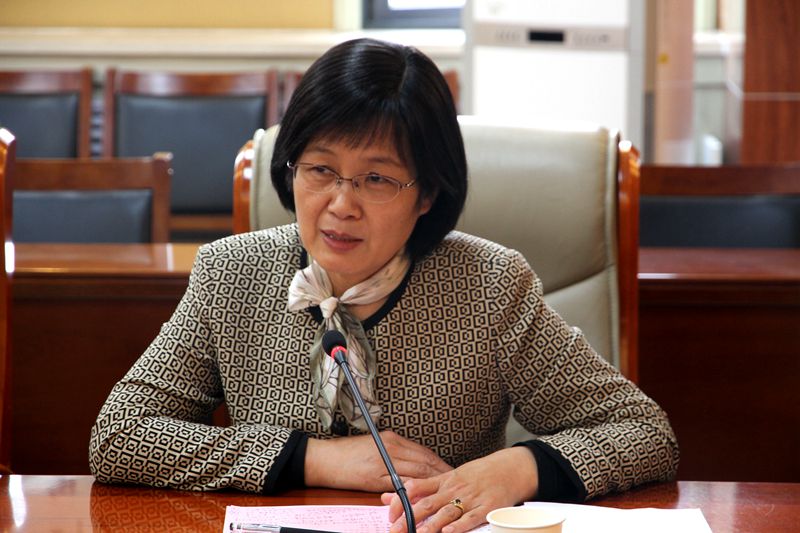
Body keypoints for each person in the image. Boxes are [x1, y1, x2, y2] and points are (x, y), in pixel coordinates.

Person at [90, 38, 679, 533]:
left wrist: (518, 469)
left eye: (376, 178)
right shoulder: (232, 274)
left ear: (427, 194)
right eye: (320, 170)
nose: (340, 205)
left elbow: (644, 432)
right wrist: (316, 460)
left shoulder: (490, 285)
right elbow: (119, 435)